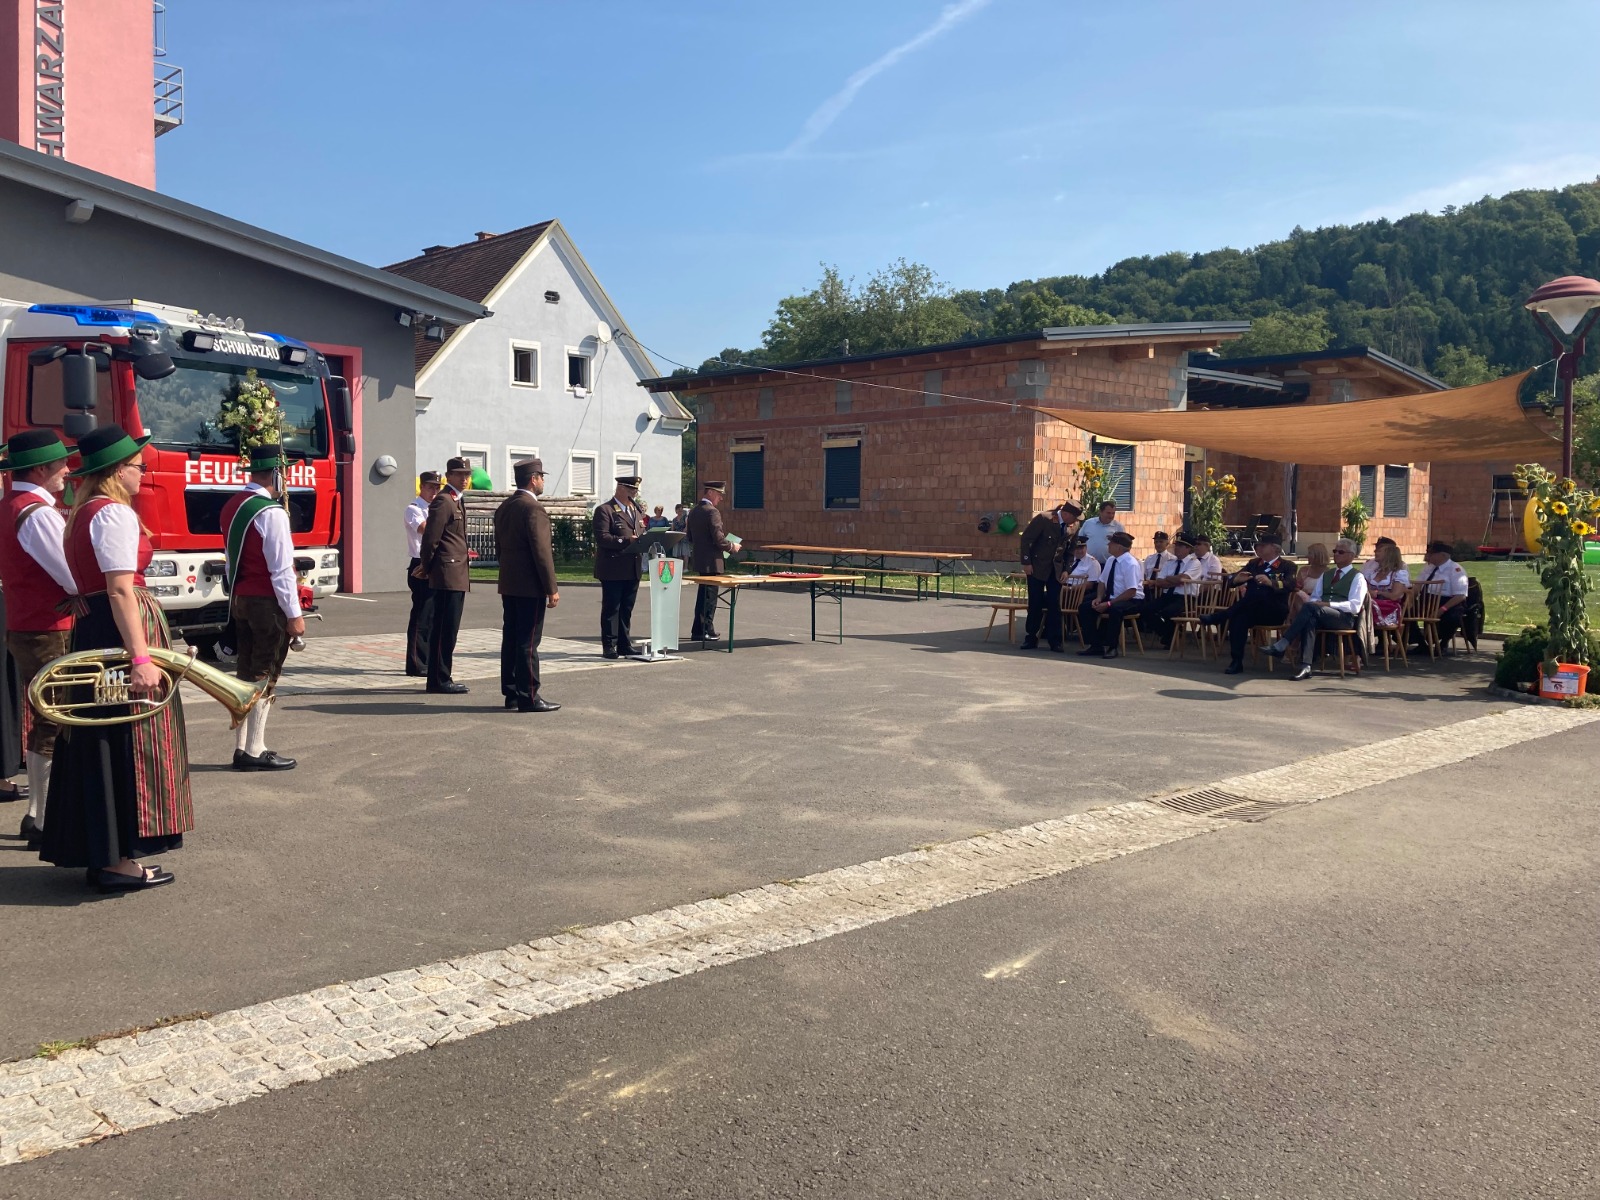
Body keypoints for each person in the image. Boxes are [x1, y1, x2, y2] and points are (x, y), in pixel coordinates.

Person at [40, 424, 189, 893]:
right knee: (126, 738)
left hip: (96, 628)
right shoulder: (113, 514)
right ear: (118, 470)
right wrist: (141, 657)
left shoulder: (80, 512)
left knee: (99, 737)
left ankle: (104, 852)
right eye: (138, 467)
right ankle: (118, 861)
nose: (143, 474)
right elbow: (120, 588)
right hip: (119, 632)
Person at [0, 430, 77, 847]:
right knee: (54, 718)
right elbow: (70, 575)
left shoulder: (11, 505)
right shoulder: (37, 512)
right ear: (40, 468)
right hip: (48, 627)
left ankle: (39, 813)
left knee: (45, 716)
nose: (67, 469)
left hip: (27, 623)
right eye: (61, 463)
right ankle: (43, 818)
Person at [220, 446, 305, 771]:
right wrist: (294, 614)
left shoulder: (232, 506)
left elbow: (230, 560)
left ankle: (242, 747)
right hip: (267, 603)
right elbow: (281, 569)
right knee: (265, 674)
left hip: (241, 598)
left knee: (244, 673)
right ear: (276, 475)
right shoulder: (271, 512)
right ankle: (256, 748)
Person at [495, 458, 560, 713]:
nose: (543, 481)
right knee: (528, 641)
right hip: (530, 586)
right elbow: (542, 552)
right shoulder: (533, 509)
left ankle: (512, 693)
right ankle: (529, 696)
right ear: (533, 479)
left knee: (511, 639)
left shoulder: (505, 506)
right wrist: (551, 587)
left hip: (510, 583)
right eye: (541, 477)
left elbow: (499, 548)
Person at [1264, 538, 1369, 680]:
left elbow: (1355, 606)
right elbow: (1314, 597)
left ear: (1351, 556)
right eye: (1335, 551)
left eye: (1341, 552)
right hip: (1322, 614)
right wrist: (1318, 604)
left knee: (1311, 609)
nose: (1336, 554)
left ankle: (1284, 643)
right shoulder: (1327, 575)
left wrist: (1328, 605)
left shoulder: (1357, 577)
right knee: (1310, 620)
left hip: (1344, 618)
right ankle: (1306, 666)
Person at [1201, 533, 1296, 675]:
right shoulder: (1253, 564)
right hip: (1252, 611)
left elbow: (1290, 584)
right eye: (1258, 545)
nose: (1259, 548)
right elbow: (1232, 579)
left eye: (1263, 545)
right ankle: (1236, 661)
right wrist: (1237, 580)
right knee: (1238, 619)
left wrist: (1271, 583)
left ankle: (1221, 616)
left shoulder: (1287, 566)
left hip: (1273, 611)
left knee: (1259, 594)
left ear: (1274, 548)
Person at [418, 456, 472, 694]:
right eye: (459, 474)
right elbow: (431, 538)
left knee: (449, 629)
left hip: (456, 572)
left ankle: (440, 676)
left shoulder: (456, 499)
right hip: (447, 573)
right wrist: (427, 567)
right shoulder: (444, 500)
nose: (464, 478)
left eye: (467, 474)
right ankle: (439, 679)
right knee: (444, 629)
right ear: (449, 476)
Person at [592, 473, 647, 658]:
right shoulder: (605, 510)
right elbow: (603, 538)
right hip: (613, 568)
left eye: (636, 490)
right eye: (631, 490)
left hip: (632, 567)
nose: (635, 493)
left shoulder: (636, 511)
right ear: (621, 488)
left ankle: (624, 644)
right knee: (612, 608)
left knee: (626, 609)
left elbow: (641, 533)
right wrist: (626, 540)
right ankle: (609, 645)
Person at [1017, 501, 1081, 652]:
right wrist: (1026, 562)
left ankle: (1055, 640)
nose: (1076, 521)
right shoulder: (1044, 519)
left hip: (1056, 570)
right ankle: (1031, 637)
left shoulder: (1074, 526)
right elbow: (1026, 540)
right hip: (1037, 567)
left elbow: (1071, 550)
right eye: (1074, 517)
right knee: (1035, 602)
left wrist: (1067, 570)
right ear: (1066, 514)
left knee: (1054, 604)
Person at [1077, 531, 1143, 658]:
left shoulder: (1131, 563)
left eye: (1111, 543)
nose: (1108, 545)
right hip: (1112, 597)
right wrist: (1099, 598)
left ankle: (1112, 647)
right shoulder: (1111, 560)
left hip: (1131, 600)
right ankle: (1095, 645)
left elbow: (1131, 591)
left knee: (1115, 610)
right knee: (1085, 608)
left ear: (1119, 547)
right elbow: (1102, 581)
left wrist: (1108, 604)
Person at [404, 470, 441, 677]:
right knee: (422, 616)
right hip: (420, 563)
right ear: (421, 487)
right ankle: (416, 663)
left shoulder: (436, 508)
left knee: (434, 615)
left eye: (437, 487)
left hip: (436, 563)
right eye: (430, 487)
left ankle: (428, 660)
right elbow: (426, 530)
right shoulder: (414, 508)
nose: (434, 492)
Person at [688, 481, 732, 642]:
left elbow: (689, 537)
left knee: (703, 596)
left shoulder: (694, 511)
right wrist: (732, 546)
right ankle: (706, 629)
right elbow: (719, 538)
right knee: (710, 598)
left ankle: (698, 630)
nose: (721, 498)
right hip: (712, 560)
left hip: (700, 559)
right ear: (711, 492)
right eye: (719, 494)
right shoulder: (712, 511)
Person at [1413, 541, 1469, 653]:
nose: (1428, 556)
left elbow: (1460, 595)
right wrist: (1410, 599)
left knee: (1452, 617)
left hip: (1447, 602)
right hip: (1427, 600)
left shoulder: (1455, 570)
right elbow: (1418, 585)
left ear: (1442, 555)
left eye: (1431, 553)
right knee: (1404, 612)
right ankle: (1421, 643)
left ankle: (1443, 642)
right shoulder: (1428, 568)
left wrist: (1441, 610)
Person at [1140, 532, 1194, 645]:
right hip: (1166, 595)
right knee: (1146, 610)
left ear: (1188, 548)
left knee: (1168, 612)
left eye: (1180, 546)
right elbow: (1159, 581)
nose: (1176, 548)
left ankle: (1169, 638)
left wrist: (1169, 579)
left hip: (1183, 597)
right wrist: (1175, 580)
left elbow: (1183, 579)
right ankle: (1167, 633)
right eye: (1176, 545)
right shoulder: (1170, 563)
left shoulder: (1193, 563)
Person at [1367, 540, 1410, 630]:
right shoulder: (1373, 572)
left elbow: (1394, 596)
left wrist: (1378, 593)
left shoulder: (1398, 573)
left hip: (1389, 608)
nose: (1375, 552)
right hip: (1373, 604)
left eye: (1379, 551)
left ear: (1388, 555)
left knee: (1366, 608)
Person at [1289, 543, 1331, 621]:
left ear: (1318, 555)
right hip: (1302, 600)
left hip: (1320, 601)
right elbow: (1297, 587)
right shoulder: (1304, 570)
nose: (1307, 556)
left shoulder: (1329, 573)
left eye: (1310, 553)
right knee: (1296, 595)